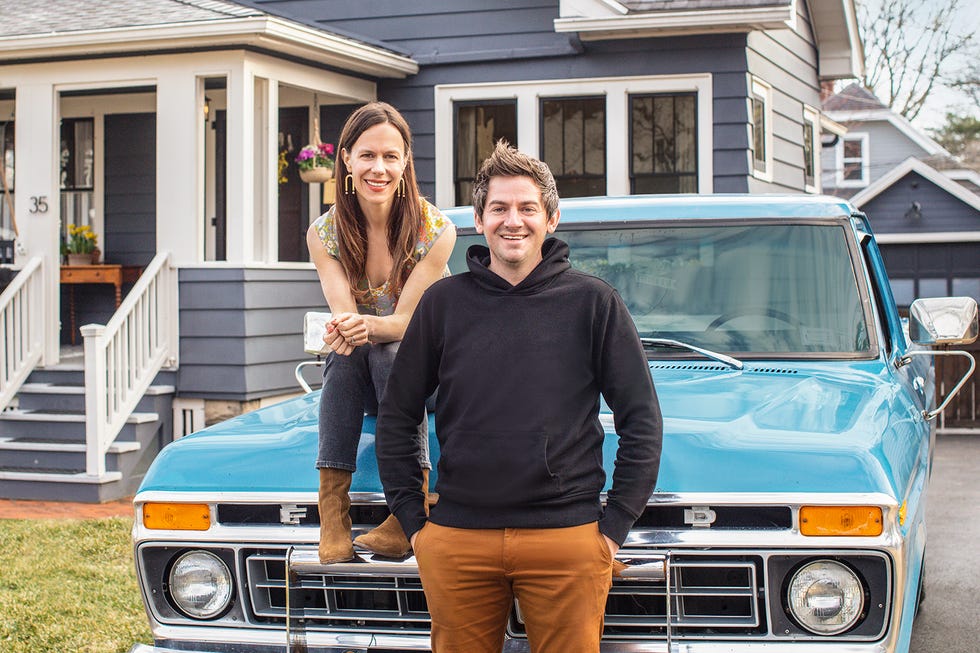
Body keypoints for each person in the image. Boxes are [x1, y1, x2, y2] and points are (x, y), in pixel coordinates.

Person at [375, 141, 662, 652]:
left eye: (527, 208)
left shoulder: (593, 303)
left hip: (568, 538)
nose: (514, 221)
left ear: (551, 218)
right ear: (480, 221)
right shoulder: (442, 304)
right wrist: (417, 525)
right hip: (457, 539)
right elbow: (398, 415)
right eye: (499, 208)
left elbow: (641, 419)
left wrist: (612, 528)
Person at [307, 102, 456, 564]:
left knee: (391, 350)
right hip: (365, 377)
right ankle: (333, 518)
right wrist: (346, 329)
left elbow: (409, 324)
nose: (380, 168)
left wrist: (360, 326)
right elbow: (345, 319)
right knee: (349, 353)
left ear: (406, 160)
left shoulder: (435, 230)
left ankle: (406, 511)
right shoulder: (325, 233)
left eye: (391, 156)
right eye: (368, 155)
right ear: (347, 159)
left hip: (435, 377)